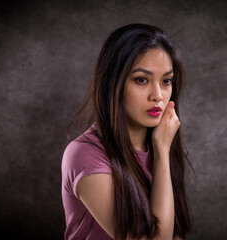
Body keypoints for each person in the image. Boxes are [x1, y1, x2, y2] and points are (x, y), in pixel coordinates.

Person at [61, 23, 192, 240]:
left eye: (166, 81)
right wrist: (161, 151)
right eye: (142, 80)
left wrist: (161, 150)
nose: (158, 95)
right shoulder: (84, 155)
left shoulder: (159, 142)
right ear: (113, 84)